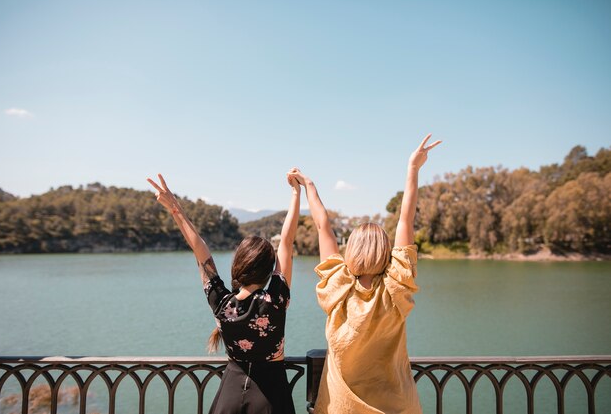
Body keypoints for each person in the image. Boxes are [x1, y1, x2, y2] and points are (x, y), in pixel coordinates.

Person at [289, 134, 441, 414]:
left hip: (341, 408)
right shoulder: (396, 285)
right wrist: (413, 169)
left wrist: (309, 186)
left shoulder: (338, 285)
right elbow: (405, 220)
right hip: (397, 406)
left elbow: (323, 227)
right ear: (386, 251)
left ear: (352, 250)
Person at [147, 172, 300, 414]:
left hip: (229, 395)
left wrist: (175, 208)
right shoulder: (275, 301)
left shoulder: (222, 304)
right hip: (271, 398)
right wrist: (295, 193)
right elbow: (287, 241)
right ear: (268, 270)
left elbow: (199, 249)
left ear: (238, 265)